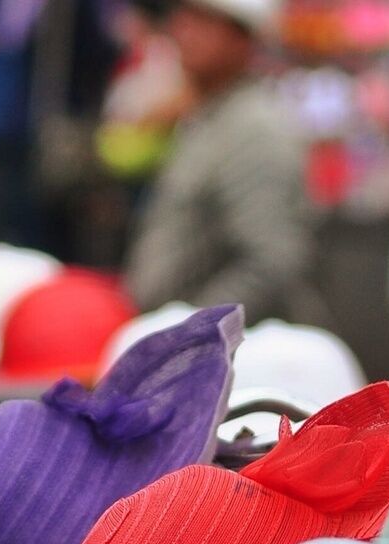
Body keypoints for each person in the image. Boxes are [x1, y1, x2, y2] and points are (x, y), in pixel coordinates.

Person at [124, 0, 319, 323]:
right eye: (182, 17)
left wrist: (191, 338)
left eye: (203, 21)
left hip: (235, 363)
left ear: (244, 39)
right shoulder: (206, 118)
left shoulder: (255, 129)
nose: (183, 32)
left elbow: (272, 262)